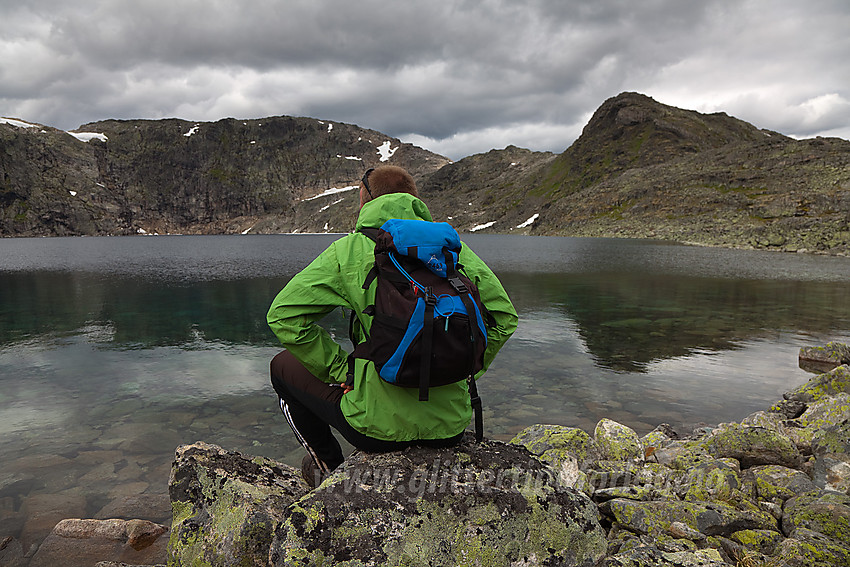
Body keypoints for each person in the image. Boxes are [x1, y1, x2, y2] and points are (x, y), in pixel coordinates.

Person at [267, 165, 517, 486]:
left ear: (363, 199)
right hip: (449, 426)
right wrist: (463, 367)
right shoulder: (453, 249)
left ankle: (326, 468)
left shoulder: (350, 250)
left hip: (376, 430)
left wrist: (344, 371)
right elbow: (504, 318)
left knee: (281, 367)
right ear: (414, 199)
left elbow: (283, 315)